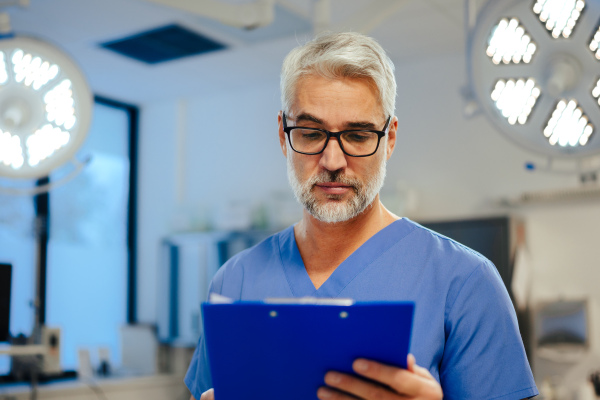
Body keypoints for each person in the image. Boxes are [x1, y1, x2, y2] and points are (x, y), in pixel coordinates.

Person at [185, 32, 538, 400]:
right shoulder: (235, 281)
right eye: (309, 133)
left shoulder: (464, 282)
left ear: (389, 140)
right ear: (282, 133)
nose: (333, 162)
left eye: (357, 135)